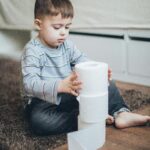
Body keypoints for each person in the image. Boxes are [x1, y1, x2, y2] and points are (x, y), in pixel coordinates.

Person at [21, 0, 150, 136]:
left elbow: (82, 60)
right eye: (57, 27)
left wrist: (98, 72)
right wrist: (60, 86)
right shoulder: (32, 51)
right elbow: (30, 84)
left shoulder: (67, 46)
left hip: (69, 94)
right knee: (39, 122)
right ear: (38, 24)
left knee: (108, 84)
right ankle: (88, 118)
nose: (63, 33)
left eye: (67, 27)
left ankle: (121, 113)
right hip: (43, 102)